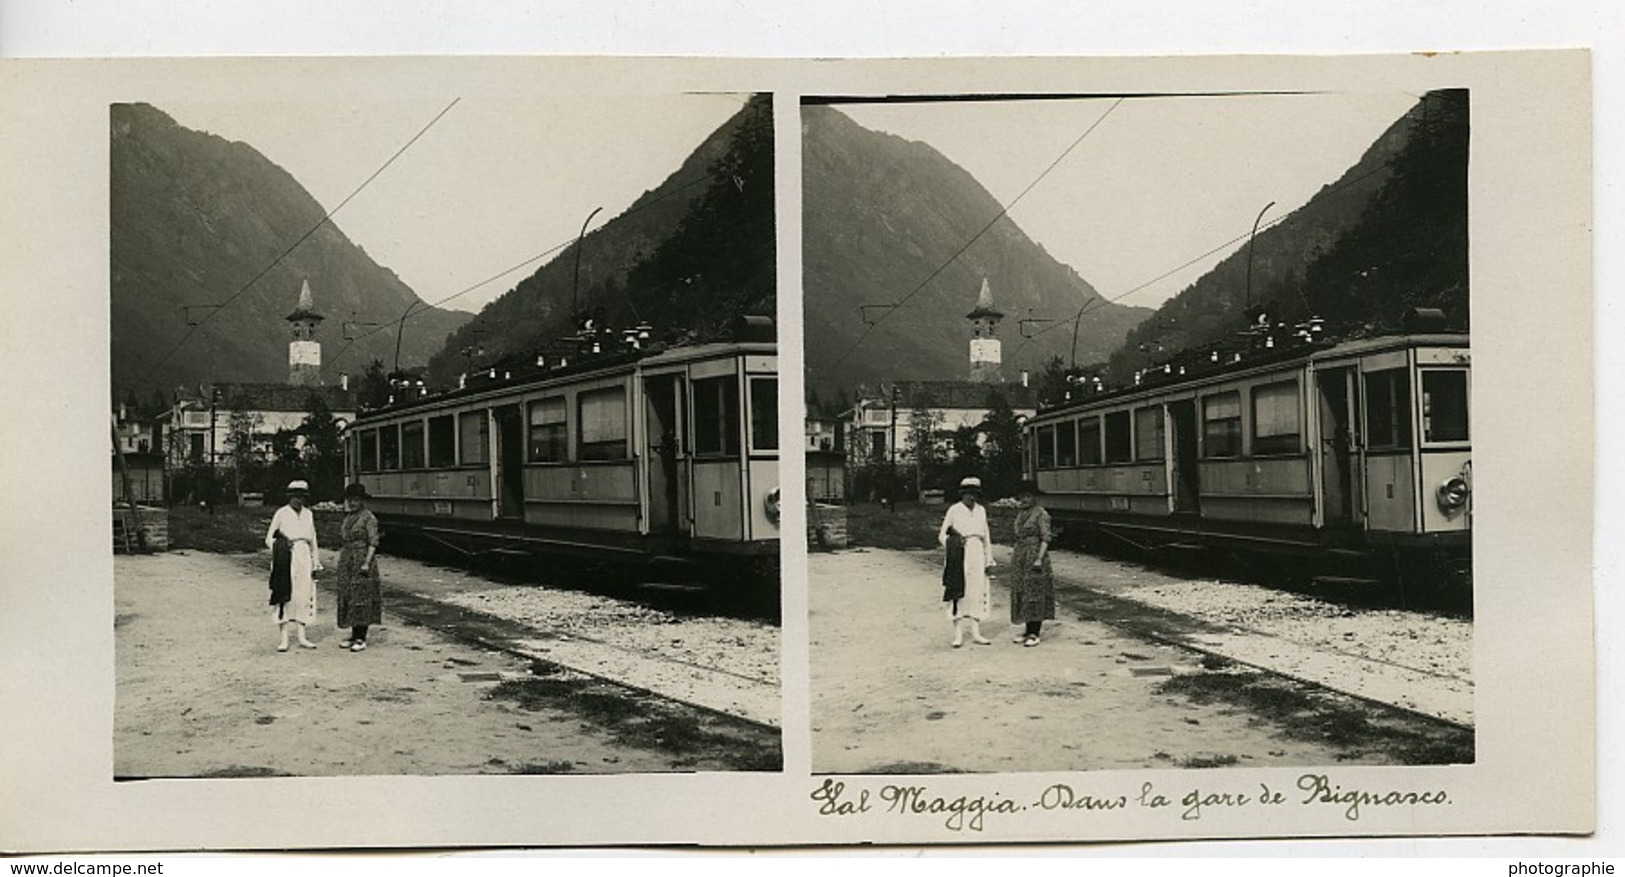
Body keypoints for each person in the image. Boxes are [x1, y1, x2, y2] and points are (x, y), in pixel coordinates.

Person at [938, 476, 995, 648]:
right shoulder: (954, 510)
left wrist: (989, 559)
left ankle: (977, 632)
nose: (972, 497)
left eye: (975, 494)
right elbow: (942, 535)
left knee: (977, 590)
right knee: (959, 591)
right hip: (959, 554)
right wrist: (954, 542)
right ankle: (958, 635)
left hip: (977, 552)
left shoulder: (981, 510)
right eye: (968, 494)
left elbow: (986, 537)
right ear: (962, 494)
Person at [266, 479, 322, 652]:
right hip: (285, 557)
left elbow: (313, 540)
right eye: (295, 497)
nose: (298, 500)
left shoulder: (308, 514)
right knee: (285, 594)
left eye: (302, 497)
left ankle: (302, 636)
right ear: (289, 497)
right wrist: (281, 545)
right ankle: (284, 639)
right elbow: (269, 539)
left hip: (304, 555)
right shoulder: (281, 513)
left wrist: (316, 562)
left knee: (303, 594)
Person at [335, 482, 382, 652]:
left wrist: (366, 563)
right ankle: (354, 634)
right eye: (350, 500)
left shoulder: (369, 518)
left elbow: (373, 542)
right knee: (349, 595)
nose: (352, 503)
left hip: (362, 558)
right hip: (348, 558)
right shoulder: (348, 517)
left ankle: (362, 637)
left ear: (362, 500)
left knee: (362, 595)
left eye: (355, 500)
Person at [1008, 481, 1055, 647]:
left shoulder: (1041, 513)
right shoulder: (1021, 513)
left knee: (1035, 591)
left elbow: (1045, 538)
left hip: (1035, 553)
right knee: (1023, 590)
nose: (1025, 499)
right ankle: (1027, 630)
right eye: (1023, 496)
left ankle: (1035, 632)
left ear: (1035, 497)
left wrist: (1039, 558)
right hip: (1021, 554)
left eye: (1028, 496)